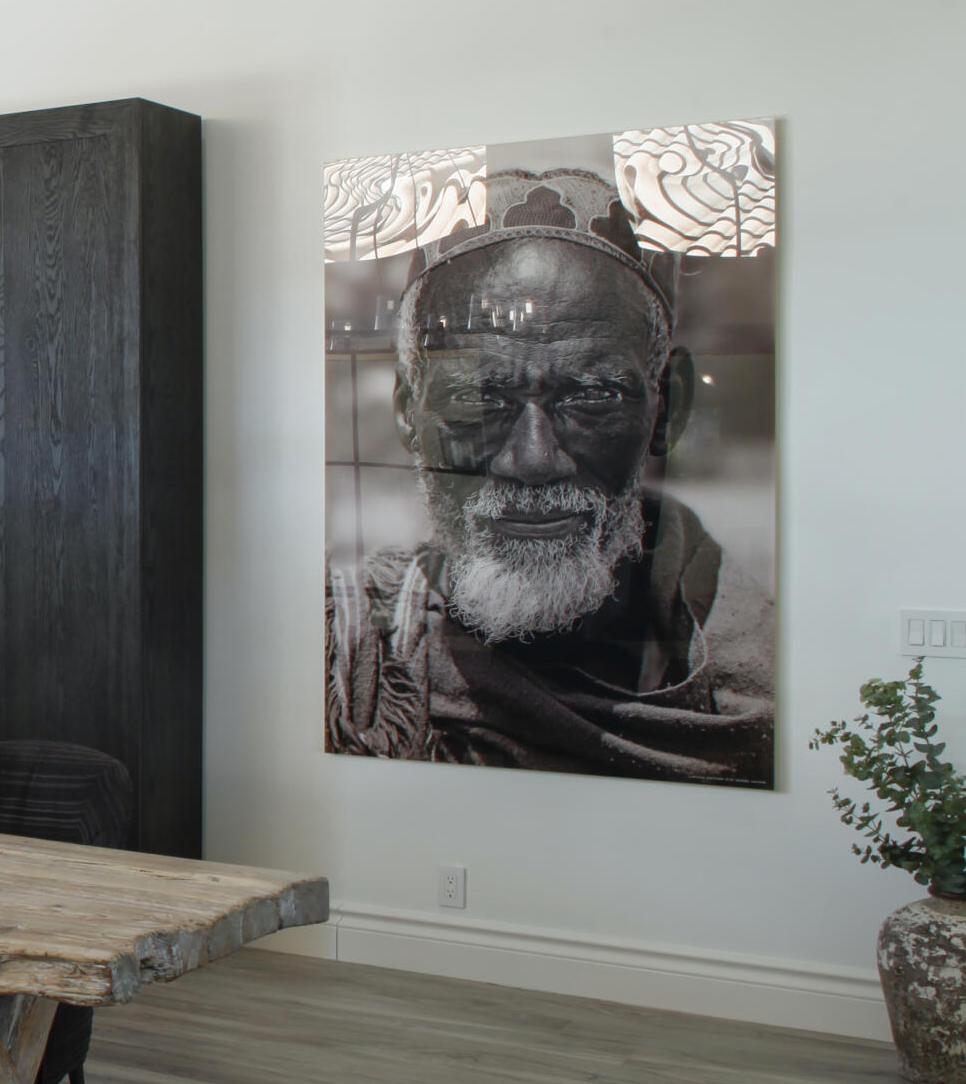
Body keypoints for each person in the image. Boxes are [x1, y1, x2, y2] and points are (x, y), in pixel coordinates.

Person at [328, 168, 774, 785]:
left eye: (591, 396)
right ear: (410, 412)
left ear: (666, 409)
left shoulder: (772, 665)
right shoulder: (352, 656)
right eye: (479, 401)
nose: (534, 461)